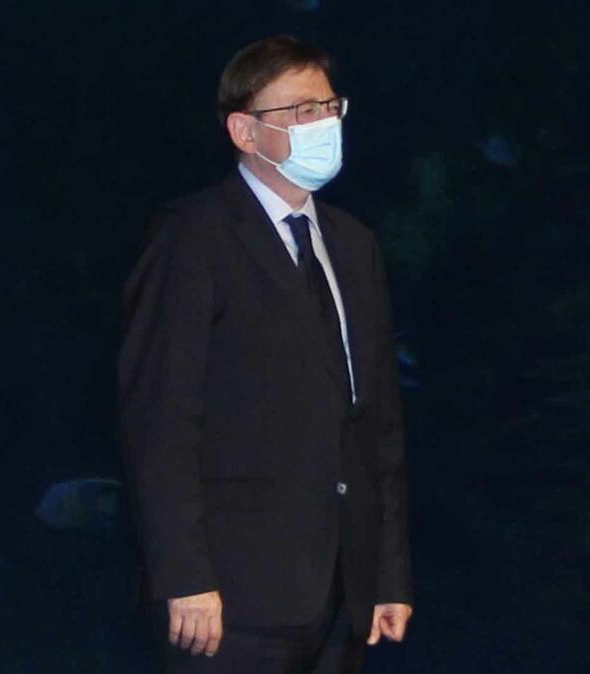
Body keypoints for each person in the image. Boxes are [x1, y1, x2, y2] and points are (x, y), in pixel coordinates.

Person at [119, 35, 412, 673]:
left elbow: (376, 420)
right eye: (300, 112)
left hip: (343, 588)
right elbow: (160, 417)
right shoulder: (192, 235)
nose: (323, 124)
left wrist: (388, 572)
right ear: (244, 132)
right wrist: (183, 575)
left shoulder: (352, 242)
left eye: (329, 107)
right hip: (232, 591)